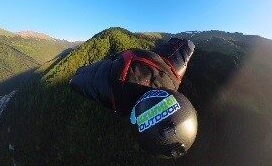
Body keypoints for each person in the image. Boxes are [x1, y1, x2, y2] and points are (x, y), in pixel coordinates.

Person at [70, 37, 198, 159]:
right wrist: (73, 81)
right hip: (110, 75)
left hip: (142, 60)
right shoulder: (117, 98)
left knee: (80, 77)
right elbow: (78, 81)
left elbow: (187, 45)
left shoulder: (172, 73)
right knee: (77, 77)